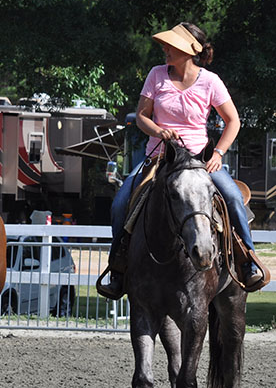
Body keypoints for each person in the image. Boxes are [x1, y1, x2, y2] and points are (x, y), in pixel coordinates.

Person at [100, 22, 262, 299]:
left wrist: (218, 153)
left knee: (233, 198)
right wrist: (158, 131)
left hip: (200, 160)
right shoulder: (156, 75)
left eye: (171, 46)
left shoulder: (211, 81)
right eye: (166, 46)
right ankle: (118, 269)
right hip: (160, 158)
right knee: (119, 204)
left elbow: (233, 120)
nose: (165, 50)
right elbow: (141, 116)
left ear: (189, 51)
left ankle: (248, 260)